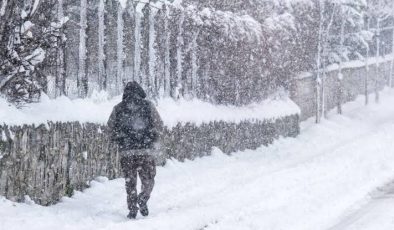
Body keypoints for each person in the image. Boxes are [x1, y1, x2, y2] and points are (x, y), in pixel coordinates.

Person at [107, 81, 163, 219]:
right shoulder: (148, 106)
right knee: (148, 179)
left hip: (127, 152)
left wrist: (118, 139)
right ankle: (143, 198)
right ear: (140, 91)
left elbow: (109, 128)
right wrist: (153, 137)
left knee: (130, 182)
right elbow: (159, 124)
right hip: (146, 151)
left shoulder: (118, 108)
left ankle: (132, 209)